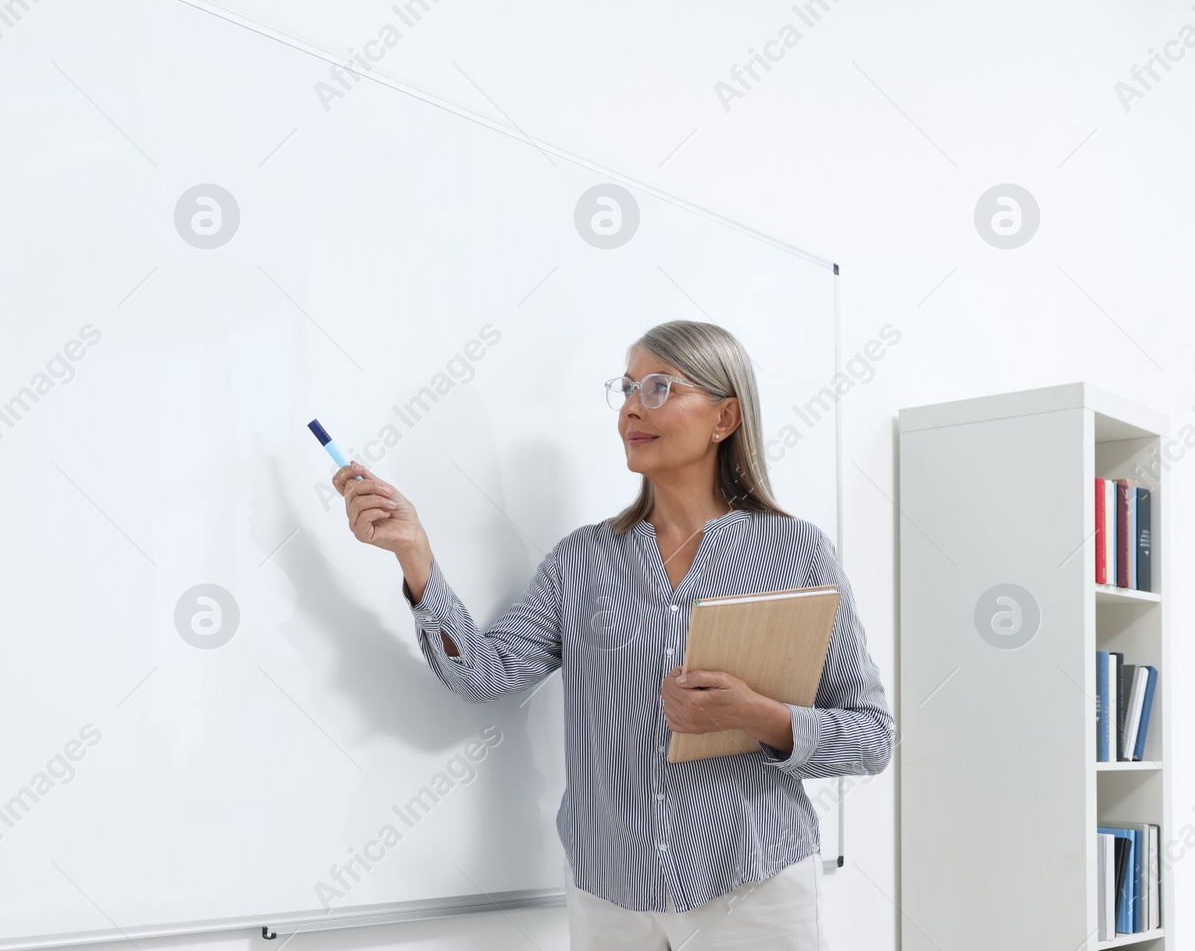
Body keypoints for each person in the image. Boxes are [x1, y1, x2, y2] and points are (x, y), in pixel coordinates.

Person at [330, 319, 893, 950]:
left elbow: (873, 736)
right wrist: (415, 554)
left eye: (658, 388)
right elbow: (483, 674)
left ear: (724, 417)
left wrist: (759, 716)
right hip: (611, 896)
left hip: (754, 888)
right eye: (625, 388)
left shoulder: (796, 551)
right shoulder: (583, 561)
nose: (630, 408)